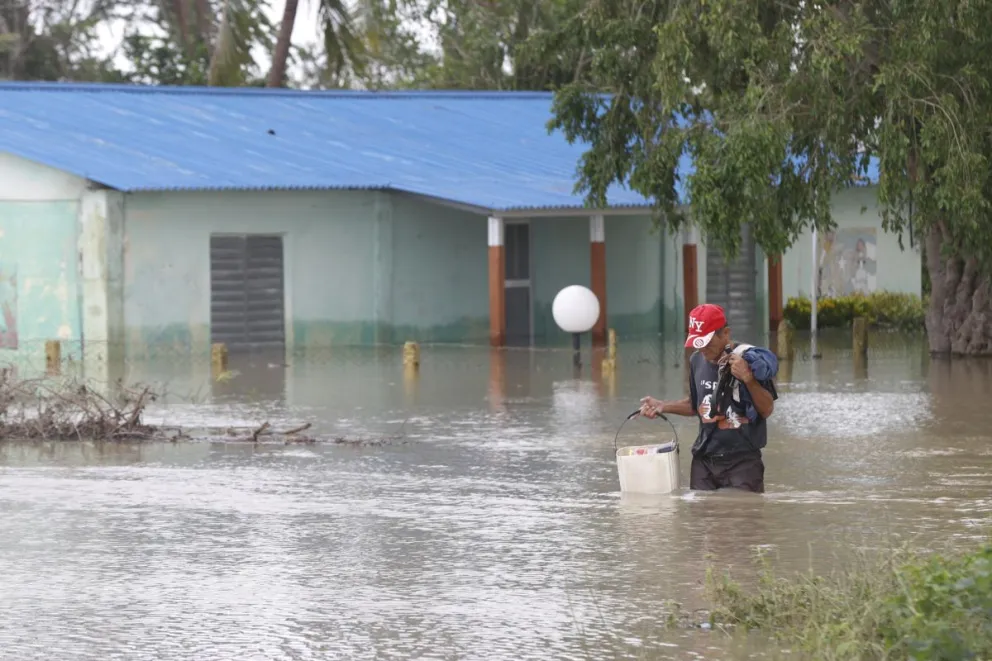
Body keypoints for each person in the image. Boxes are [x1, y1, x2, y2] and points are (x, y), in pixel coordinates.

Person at [639, 303, 779, 493]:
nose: (702, 348)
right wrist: (662, 406)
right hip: (704, 460)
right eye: (698, 342)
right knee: (702, 519)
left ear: (726, 334)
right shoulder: (696, 360)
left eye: (707, 341)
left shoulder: (749, 361)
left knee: (745, 518)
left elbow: (767, 409)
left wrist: (748, 379)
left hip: (743, 462)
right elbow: (694, 404)